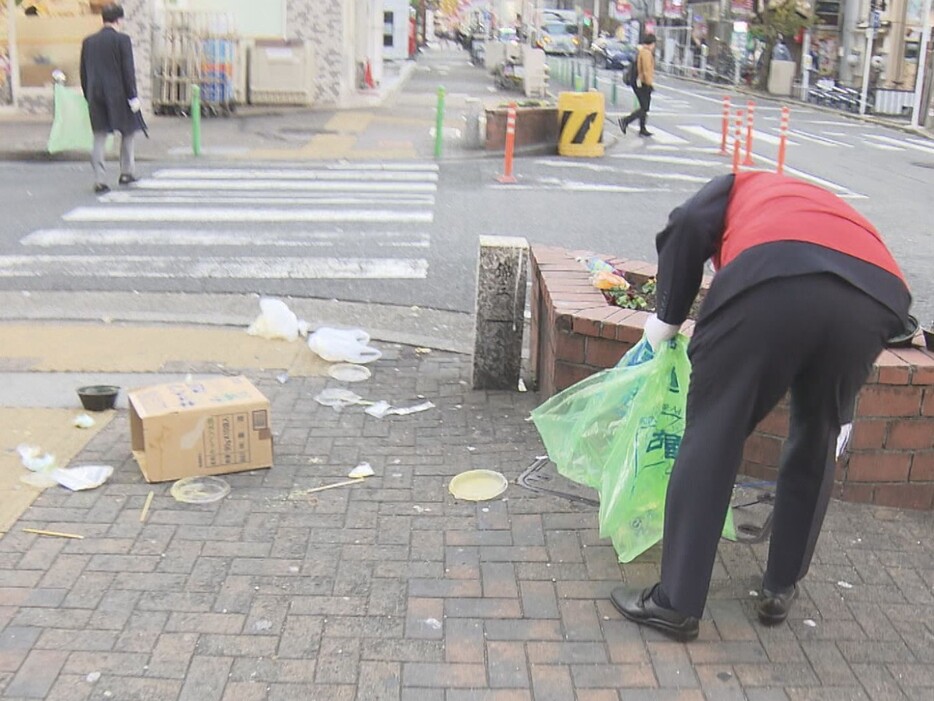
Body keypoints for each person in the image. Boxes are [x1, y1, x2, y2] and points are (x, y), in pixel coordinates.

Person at [610, 172, 911, 642]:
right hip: (875, 293)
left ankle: (677, 602)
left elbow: (688, 224)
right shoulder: (813, 201)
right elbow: (835, 286)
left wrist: (666, 318)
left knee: (715, 427)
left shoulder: (736, 184)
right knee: (818, 433)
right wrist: (842, 412)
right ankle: (780, 586)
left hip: (771, 273)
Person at [79, 3, 142, 194]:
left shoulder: (88, 41)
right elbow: (127, 71)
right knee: (128, 131)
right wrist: (133, 96)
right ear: (119, 20)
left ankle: (99, 179)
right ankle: (126, 172)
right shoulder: (122, 40)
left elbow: (83, 72)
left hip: (95, 93)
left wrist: (87, 94)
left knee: (99, 135)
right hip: (119, 94)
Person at [618, 34, 656, 138]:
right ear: (652, 43)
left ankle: (642, 128)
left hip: (639, 83)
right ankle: (625, 121)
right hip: (643, 84)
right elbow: (646, 70)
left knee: (644, 106)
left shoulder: (642, 51)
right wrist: (649, 84)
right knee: (644, 107)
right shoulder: (647, 53)